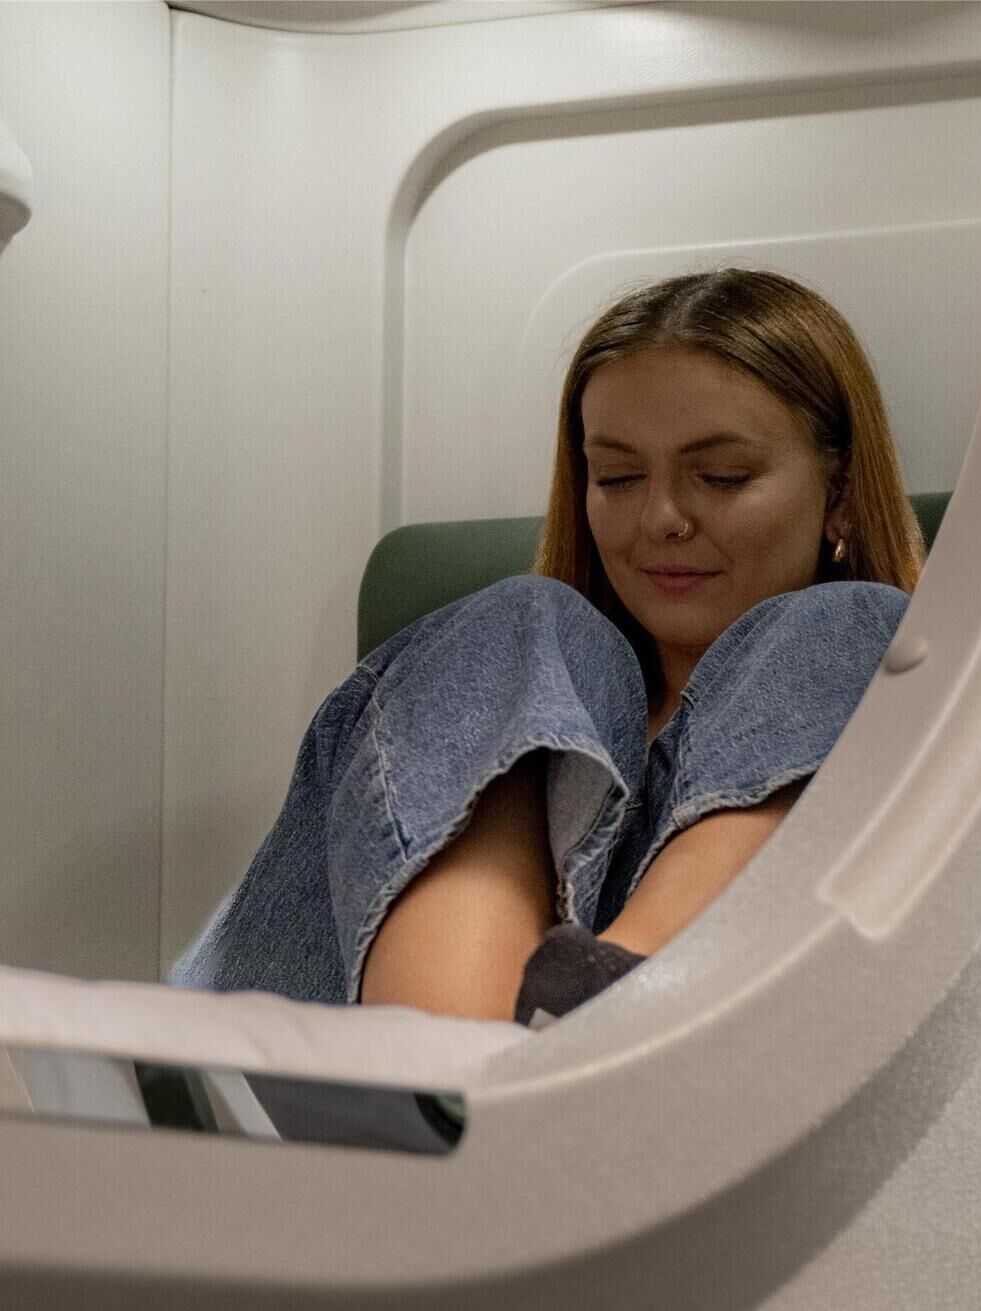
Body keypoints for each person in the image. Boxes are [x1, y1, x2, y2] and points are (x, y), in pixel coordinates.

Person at [174, 267, 923, 1020]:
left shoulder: (908, 665)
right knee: (528, 623)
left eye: (721, 477)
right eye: (619, 476)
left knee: (860, 620)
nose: (661, 516)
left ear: (841, 497)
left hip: (718, 1059)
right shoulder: (532, 650)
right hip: (377, 1066)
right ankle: (455, 1053)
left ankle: (618, 1001)